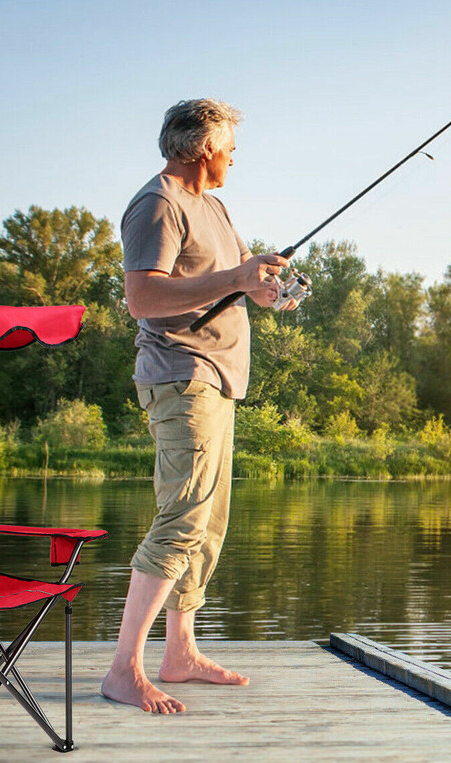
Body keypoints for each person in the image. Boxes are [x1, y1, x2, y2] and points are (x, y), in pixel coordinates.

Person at [101, 99, 296, 714]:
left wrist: (264, 288)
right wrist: (238, 277)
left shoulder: (213, 206)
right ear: (203, 146)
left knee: (209, 526)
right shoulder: (158, 203)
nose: (235, 154)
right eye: (230, 143)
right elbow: (141, 295)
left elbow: (230, 280)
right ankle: (123, 668)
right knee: (183, 517)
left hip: (218, 380)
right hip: (182, 375)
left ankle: (178, 652)